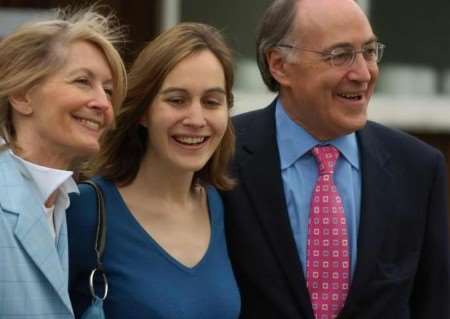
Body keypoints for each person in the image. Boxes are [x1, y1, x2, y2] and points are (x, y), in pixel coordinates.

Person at [221, 0, 450, 318]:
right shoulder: (221, 154)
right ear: (280, 65)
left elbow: (434, 304)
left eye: (369, 52)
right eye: (340, 55)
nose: (363, 74)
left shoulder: (418, 168)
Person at [68, 22, 241, 319]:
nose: (196, 118)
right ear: (143, 112)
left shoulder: (219, 204)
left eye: (212, 102)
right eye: (177, 100)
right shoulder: (85, 209)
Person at [0, 6, 127, 319]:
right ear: (22, 95)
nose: (103, 103)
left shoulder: (59, 199)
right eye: (83, 81)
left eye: (108, 90)